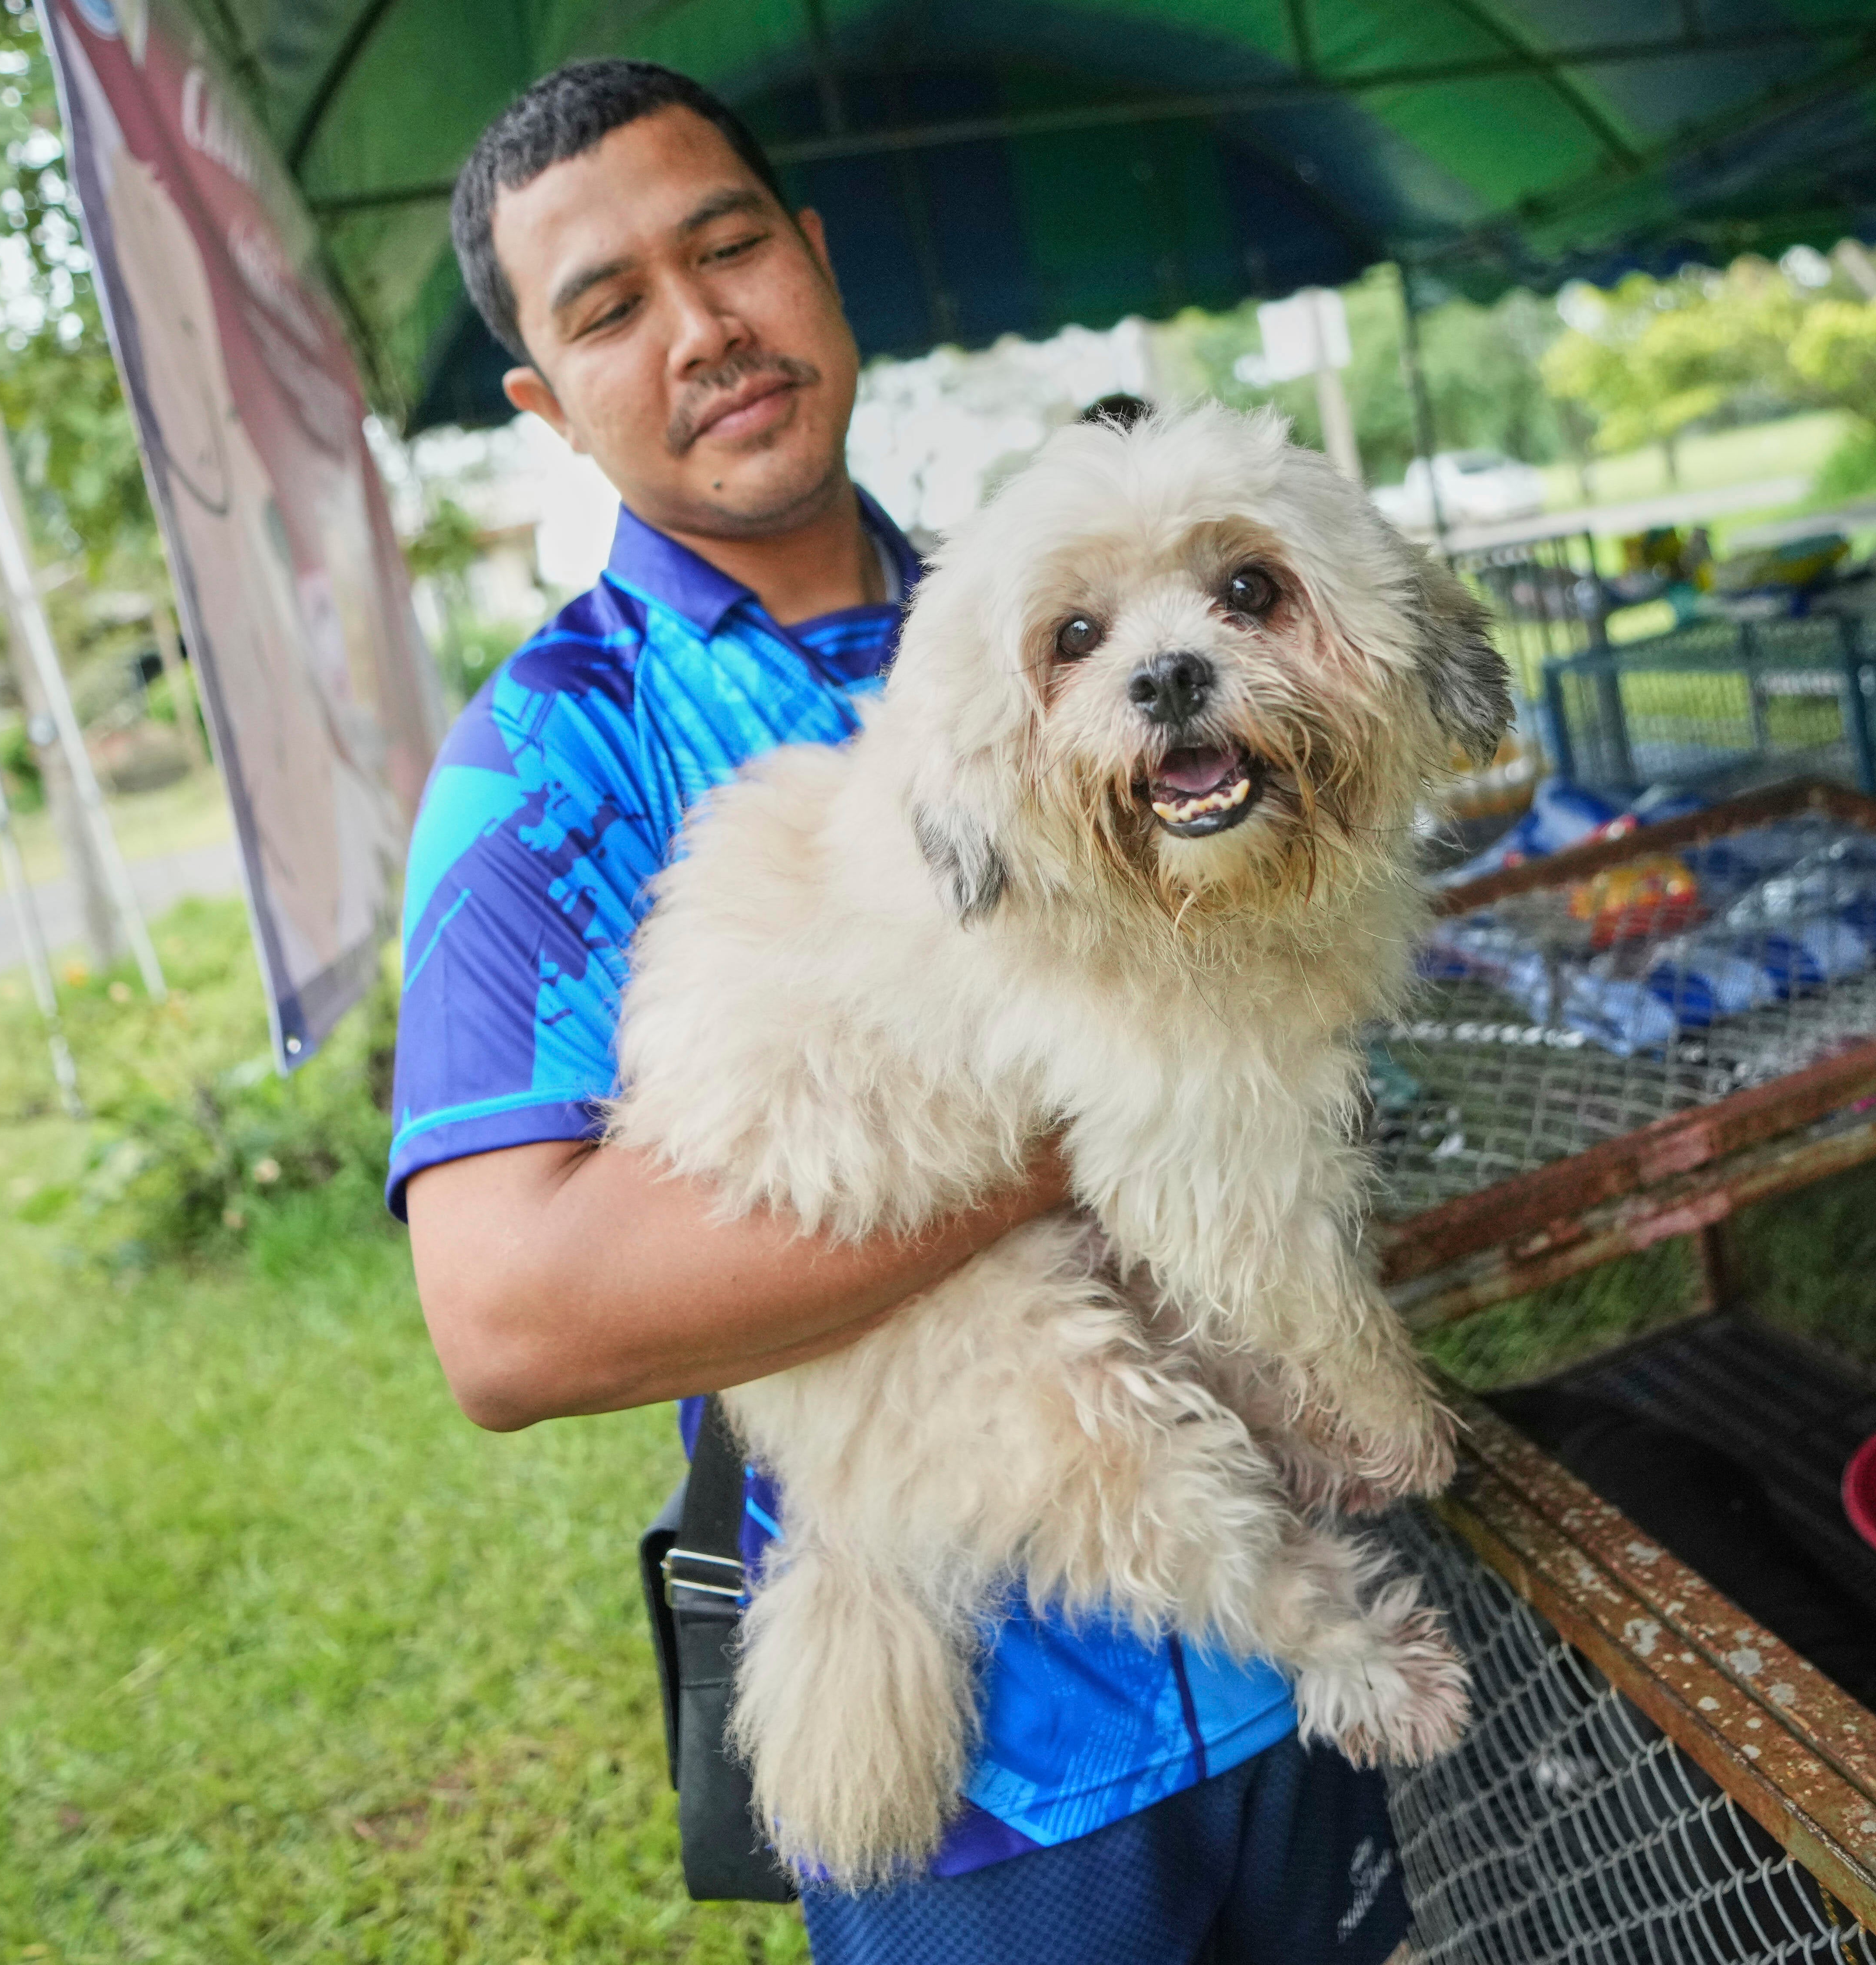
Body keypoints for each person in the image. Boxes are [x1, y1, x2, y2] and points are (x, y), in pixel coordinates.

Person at [393, 58, 1415, 1965]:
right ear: (545, 400)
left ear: (815, 254)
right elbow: (507, 1319)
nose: (703, 330)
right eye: (611, 309)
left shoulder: (1052, 596)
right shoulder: (550, 756)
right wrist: (1090, 1114)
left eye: (728, 250)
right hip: (1000, 1782)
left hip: (1294, 1631)